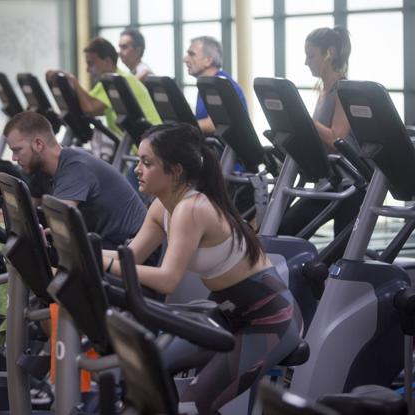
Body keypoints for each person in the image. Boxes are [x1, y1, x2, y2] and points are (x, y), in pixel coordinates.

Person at [101, 123, 302, 412]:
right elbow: (129, 258)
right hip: (229, 315)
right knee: (150, 370)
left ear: (176, 170)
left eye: (147, 162)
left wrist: (100, 261)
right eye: (139, 160)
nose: (137, 169)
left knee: (191, 408)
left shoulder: (191, 208)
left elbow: (167, 280)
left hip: (270, 320)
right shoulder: (162, 206)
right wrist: (76, 250)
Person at [4, 111, 146, 250]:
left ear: (38, 144)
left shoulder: (75, 169)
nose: (14, 158)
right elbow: (26, 210)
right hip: (103, 243)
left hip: (132, 249)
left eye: (17, 150)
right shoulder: (40, 171)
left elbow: (59, 226)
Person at [278, 26, 363, 237]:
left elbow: (337, 138)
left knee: (342, 254)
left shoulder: (343, 90)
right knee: (285, 228)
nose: (306, 62)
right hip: (329, 183)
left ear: (329, 53)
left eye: (310, 55)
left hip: (349, 186)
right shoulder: (322, 90)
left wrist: (305, 120)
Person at [47, 37, 161, 159]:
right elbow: (85, 103)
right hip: (137, 147)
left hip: (154, 145)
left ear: (107, 61)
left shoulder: (119, 81)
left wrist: (73, 81)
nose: (87, 70)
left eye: (91, 63)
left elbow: (90, 109)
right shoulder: (106, 83)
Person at [183, 36, 247, 135]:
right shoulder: (205, 84)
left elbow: (215, 123)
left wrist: (183, 128)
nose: (185, 59)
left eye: (192, 54)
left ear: (208, 60)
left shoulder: (222, 84)